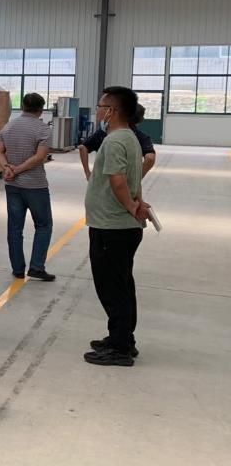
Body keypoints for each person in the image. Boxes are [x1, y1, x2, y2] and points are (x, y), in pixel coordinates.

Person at [84, 87, 150, 367]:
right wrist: (137, 202)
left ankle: (120, 348)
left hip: (112, 226)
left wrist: (131, 206)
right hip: (119, 227)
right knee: (122, 285)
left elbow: (118, 181)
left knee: (112, 288)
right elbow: (133, 179)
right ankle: (121, 338)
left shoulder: (113, 141)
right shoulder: (130, 137)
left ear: (111, 111)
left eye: (101, 106)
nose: (98, 111)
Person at [0, 93, 56, 282]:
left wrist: (7, 168)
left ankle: (18, 269)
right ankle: (36, 267)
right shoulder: (43, 129)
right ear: (41, 109)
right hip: (35, 185)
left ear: (22, 106)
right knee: (44, 225)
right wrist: (19, 169)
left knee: (15, 228)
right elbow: (40, 157)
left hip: (12, 185)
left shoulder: (8, 126)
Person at [80, 103, 156, 180]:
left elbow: (83, 147)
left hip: (101, 180)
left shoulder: (104, 133)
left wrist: (87, 173)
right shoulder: (141, 137)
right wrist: (137, 177)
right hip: (127, 182)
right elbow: (150, 158)